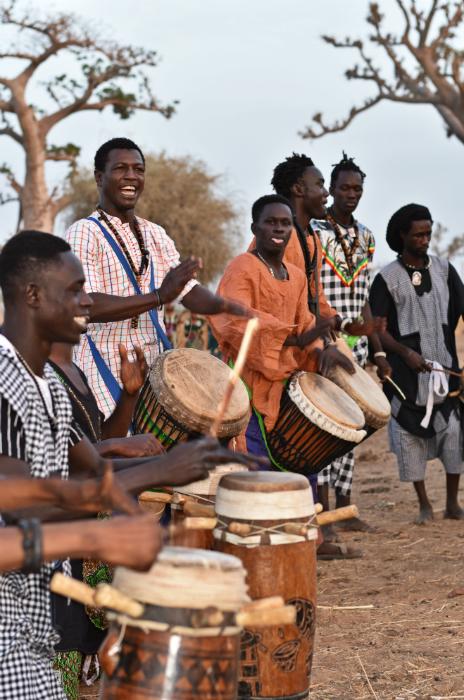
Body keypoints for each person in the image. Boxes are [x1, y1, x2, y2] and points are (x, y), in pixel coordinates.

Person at [0, 230, 260, 700]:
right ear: (32, 296)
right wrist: (146, 483)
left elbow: (80, 473)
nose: (87, 303)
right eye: (75, 291)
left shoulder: (44, 385)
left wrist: (186, 463)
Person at [65, 137, 247, 417]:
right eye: (121, 169)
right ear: (100, 178)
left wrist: (227, 307)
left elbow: (188, 292)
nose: (131, 177)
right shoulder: (83, 233)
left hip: (154, 369)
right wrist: (159, 297)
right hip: (101, 364)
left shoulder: (154, 234)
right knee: (119, 451)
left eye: (138, 170)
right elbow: (89, 305)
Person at [209, 195, 333, 502]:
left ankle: (298, 541)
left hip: (286, 388)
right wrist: (292, 339)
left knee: (300, 465)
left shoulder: (296, 276)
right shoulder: (243, 267)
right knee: (256, 477)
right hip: (247, 388)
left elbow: (305, 323)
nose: (278, 228)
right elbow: (235, 321)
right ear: (255, 227)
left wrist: (320, 353)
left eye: (285, 223)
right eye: (270, 222)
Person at [369, 203, 464, 524]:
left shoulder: (445, 270)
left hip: (445, 371)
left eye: (428, 233)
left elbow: (458, 313)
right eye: (418, 234)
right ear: (402, 236)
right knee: (410, 438)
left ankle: (452, 503)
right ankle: (424, 503)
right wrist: (406, 353)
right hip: (405, 377)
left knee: (453, 435)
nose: (425, 239)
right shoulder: (387, 279)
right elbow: (377, 329)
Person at [311, 153, 390, 533]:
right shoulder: (313, 231)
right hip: (324, 342)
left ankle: (346, 508)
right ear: (331, 188)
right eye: (344, 187)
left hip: (355, 346)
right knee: (326, 426)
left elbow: (364, 295)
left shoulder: (368, 236)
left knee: (354, 428)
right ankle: (323, 513)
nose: (351, 194)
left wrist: (375, 347)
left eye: (357, 188)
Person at [49, 341, 163, 456]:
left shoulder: (74, 371)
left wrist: (129, 395)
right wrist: (114, 446)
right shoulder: (35, 376)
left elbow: (101, 437)